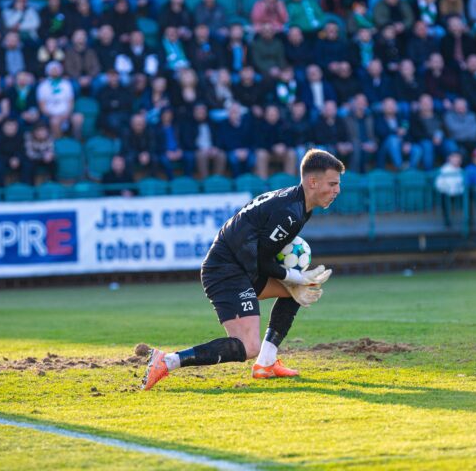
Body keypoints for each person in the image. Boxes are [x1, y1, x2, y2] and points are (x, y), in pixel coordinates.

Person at [142, 149, 342, 390]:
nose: (336, 191)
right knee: (247, 346)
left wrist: (296, 280)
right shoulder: (289, 213)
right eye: (332, 184)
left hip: (242, 267)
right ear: (312, 181)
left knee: (300, 289)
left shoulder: (298, 206)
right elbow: (258, 259)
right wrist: (293, 275)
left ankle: (266, 363)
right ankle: (167, 361)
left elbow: (260, 255)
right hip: (226, 271)